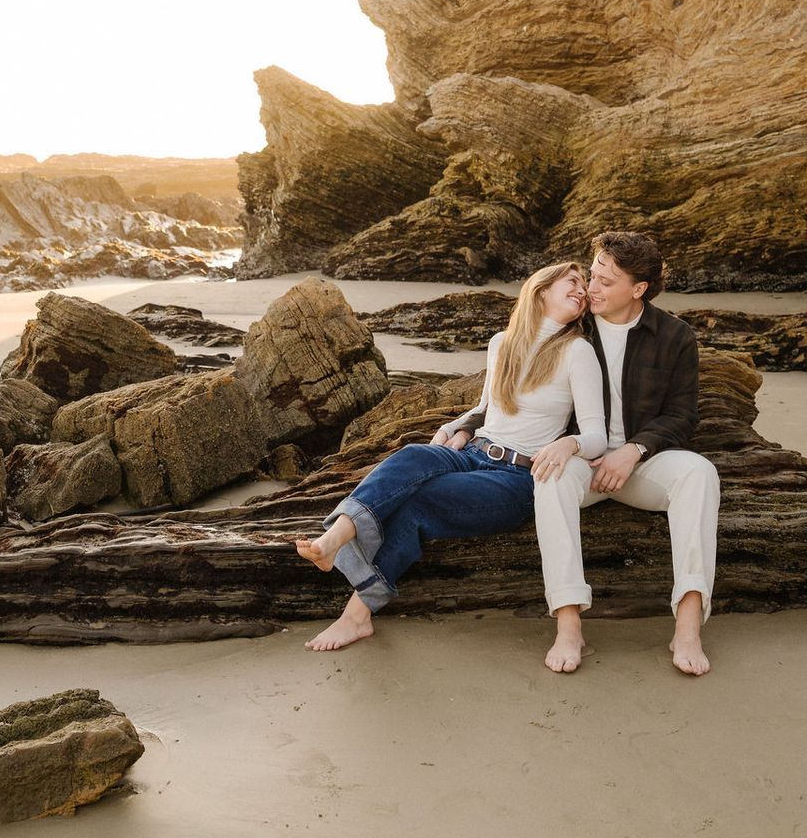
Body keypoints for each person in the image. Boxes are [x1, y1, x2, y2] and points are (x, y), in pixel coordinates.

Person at [293, 261, 606, 651]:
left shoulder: (577, 351)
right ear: (541, 290)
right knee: (413, 455)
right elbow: (488, 408)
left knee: (420, 500)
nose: (582, 290)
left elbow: (597, 436)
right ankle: (337, 535)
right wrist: (458, 426)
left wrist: (568, 443)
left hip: (516, 478)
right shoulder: (501, 344)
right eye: (572, 282)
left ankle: (355, 614)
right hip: (473, 452)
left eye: (585, 286)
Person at [447, 230, 720, 676]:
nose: (591, 288)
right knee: (548, 479)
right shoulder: (572, 329)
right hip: (580, 462)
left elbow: (683, 415)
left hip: (645, 463)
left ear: (639, 289)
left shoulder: (674, 336)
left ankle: (688, 623)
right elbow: (510, 386)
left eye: (606, 281)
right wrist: (466, 426)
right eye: (591, 275)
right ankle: (569, 623)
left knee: (700, 474)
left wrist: (633, 450)